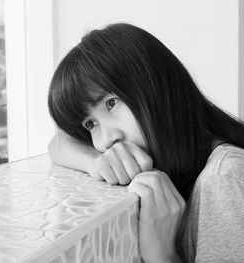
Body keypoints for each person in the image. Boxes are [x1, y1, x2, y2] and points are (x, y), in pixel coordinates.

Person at [47, 23, 244, 262]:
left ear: (155, 85)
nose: (107, 139)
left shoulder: (222, 180)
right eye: (90, 124)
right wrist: (95, 162)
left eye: (111, 103)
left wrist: (162, 253)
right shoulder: (191, 164)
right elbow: (58, 143)